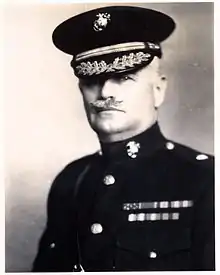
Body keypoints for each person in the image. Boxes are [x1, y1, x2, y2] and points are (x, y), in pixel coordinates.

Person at [32, 5, 215, 272]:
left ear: (159, 89)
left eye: (123, 77)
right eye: (92, 81)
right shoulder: (71, 181)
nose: (105, 91)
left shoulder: (206, 179)